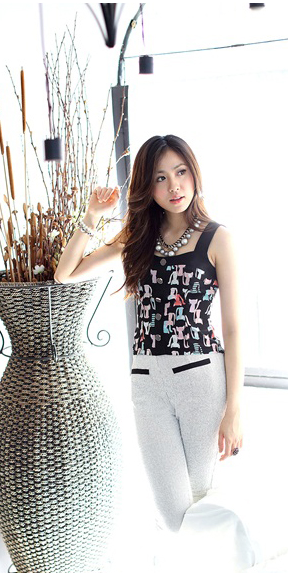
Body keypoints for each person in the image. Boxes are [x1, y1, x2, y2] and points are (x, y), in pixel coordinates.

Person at [54, 134, 243, 533]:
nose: (174, 185)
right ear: (147, 186)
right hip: (146, 383)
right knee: (172, 513)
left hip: (200, 378)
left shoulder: (217, 238)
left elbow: (233, 328)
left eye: (181, 172)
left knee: (202, 500)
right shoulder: (137, 239)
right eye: (160, 178)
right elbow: (65, 274)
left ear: (194, 174)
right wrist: (92, 216)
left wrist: (234, 409)